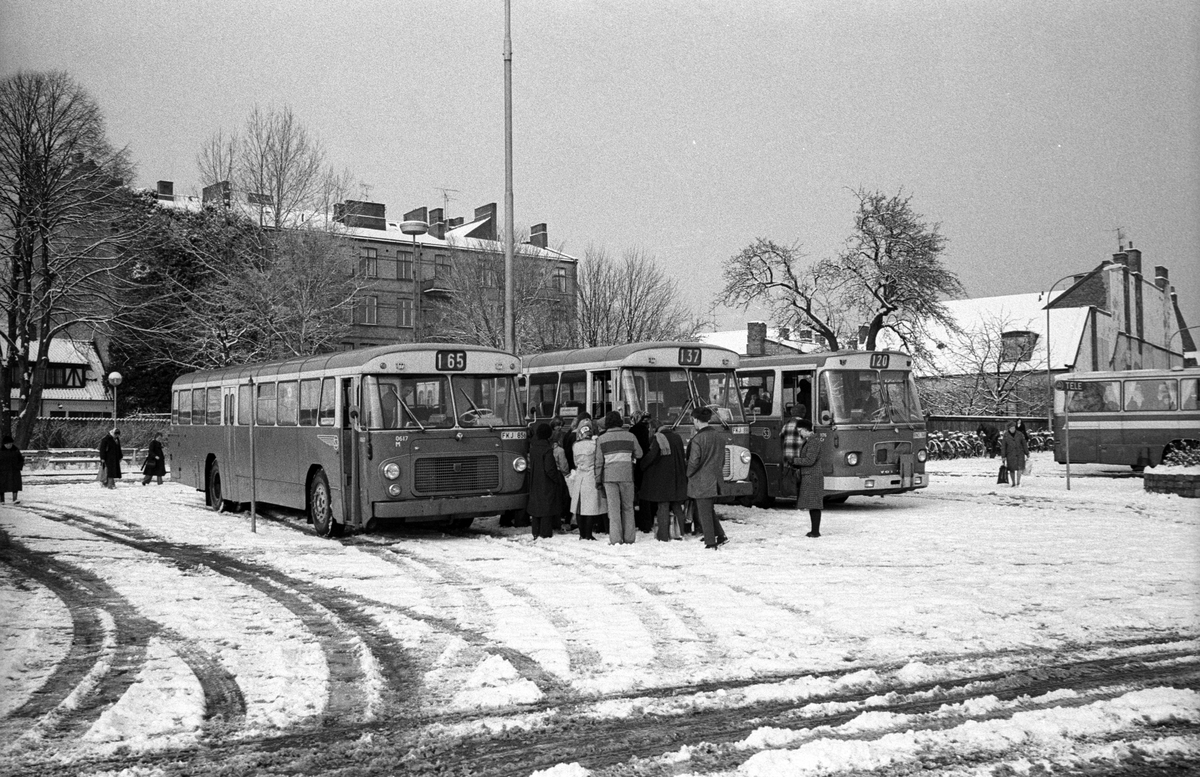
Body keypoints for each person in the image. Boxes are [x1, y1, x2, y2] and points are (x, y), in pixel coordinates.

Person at [595, 410, 642, 545]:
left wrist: (598, 479)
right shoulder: (630, 436)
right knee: (628, 507)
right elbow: (639, 454)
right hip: (627, 475)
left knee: (614, 509)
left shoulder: (602, 439)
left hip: (609, 477)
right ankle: (629, 538)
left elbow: (599, 462)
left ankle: (615, 539)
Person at [686, 406, 727, 550]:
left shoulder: (698, 439)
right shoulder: (719, 436)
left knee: (704, 512)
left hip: (701, 480)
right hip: (715, 478)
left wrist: (688, 473)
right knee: (708, 509)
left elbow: (694, 461)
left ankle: (710, 542)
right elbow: (722, 460)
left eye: (693, 420)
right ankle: (720, 535)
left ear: (696, 420)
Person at [639, 422, 688, 541]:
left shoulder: (658, 438)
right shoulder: (677, 437)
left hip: (663, 479)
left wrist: (642, 465)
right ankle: (681, 532)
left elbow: (652, 456)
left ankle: (663, 535)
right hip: (677, 477)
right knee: (676, 505)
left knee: (663, 506)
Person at [785, 419, 825, 537]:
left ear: (806, 430)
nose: (799, 433)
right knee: (813, 504)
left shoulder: (813, 442)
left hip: (812, 476)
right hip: (811, 475)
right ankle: (814, 530)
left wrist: (795, 461)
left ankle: (815, 531)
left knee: (814, 504)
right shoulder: (810, 441)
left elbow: (809, 460)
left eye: (800, 431)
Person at [527, 423, 568, 539]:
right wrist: (557, 479)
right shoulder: (547, 450)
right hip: (546, 482)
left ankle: (536, 531)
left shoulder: (533, 449)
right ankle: (545, 532)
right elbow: (549, 469)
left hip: (535, 480)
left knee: (536, 507)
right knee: (546, 508)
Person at [569, 420, 605, 540]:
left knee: (579, 508)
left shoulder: (575, 445)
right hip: (591, 477)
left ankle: (581, 534)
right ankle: (588, 534)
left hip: (580, 476)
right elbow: (598, 460)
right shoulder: (595, 444)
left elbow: (575, 462)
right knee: (589, 507)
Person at [629, 411, 654, 532]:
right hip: (647, 463)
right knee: (646, 494)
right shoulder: (647, 429)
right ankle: (647, 522)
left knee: (637, 494)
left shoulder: (634, 430)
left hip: (638, 464)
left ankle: (640, 521)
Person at [999, 421, 1028, 487]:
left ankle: (1018, 482)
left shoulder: (1020, 434)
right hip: (1010, 455)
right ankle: (1013, 483)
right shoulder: (1006, 435)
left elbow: (1024, 444)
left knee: (1019, 468)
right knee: (1012, 469)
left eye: (1014, 428)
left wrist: (1027, 452)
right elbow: (1003, 447)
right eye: (1011, 428)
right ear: (1009, 429)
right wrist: (1003, 456)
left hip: (1020, 453)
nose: (1013, 429)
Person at [0, 435, 24, 504]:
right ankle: (2, 500)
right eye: (7, 444)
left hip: (14, 470)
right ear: (4, 444)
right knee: (2, 485)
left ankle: (15, 498)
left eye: (10, 444)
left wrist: (19, 466)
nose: (9, 445)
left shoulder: (15, 450)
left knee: (15, 485)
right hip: (3, 471)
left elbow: (21, 459)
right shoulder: (1, 451)